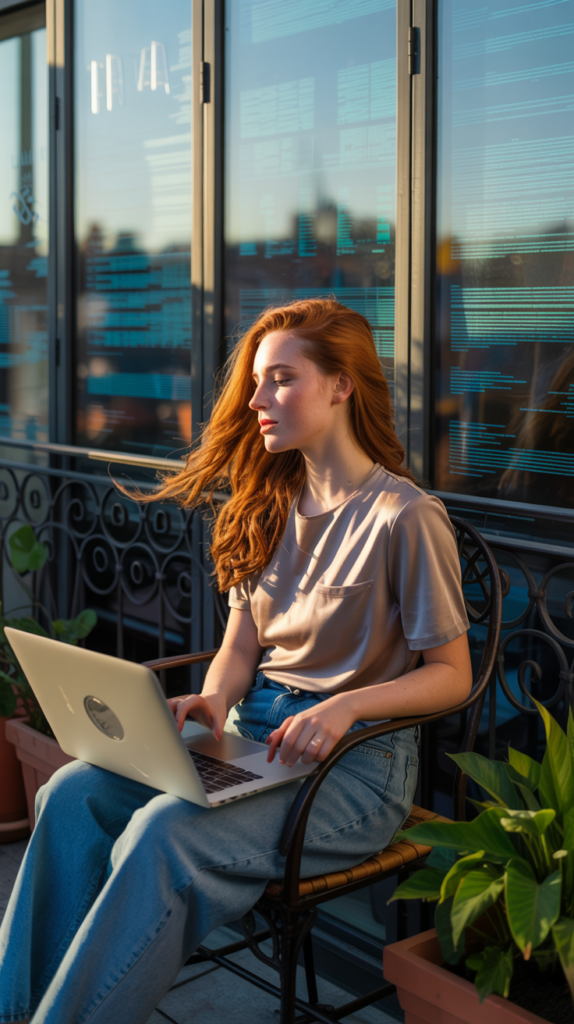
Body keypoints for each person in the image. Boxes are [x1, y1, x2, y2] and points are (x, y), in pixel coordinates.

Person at [0, 299, 471, 1024]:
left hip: (354, 772)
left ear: (343, 384)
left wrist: (344, 704)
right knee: (71, 796)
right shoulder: (268, 504)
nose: (256, 399)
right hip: (254, 743)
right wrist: (215, 700)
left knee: (166, 836)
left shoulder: (404, 517)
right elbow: (239, 648)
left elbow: (452, 672)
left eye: (281, 378)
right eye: (256, 381)